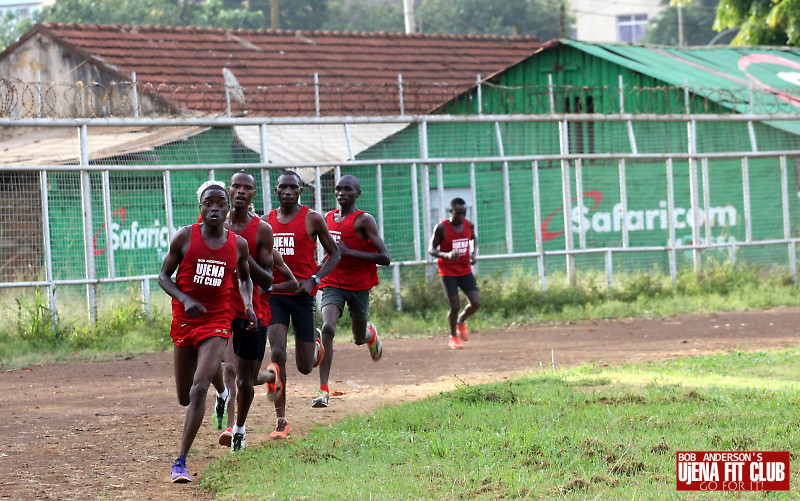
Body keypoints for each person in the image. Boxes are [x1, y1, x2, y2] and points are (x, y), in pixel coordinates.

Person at [158, 183, 257, 483]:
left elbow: (245, 279)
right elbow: (163, 276)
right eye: (208, 203)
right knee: (183, 398)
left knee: (198, 388)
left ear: (228, 210)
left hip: (217, 319)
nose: (214, 208)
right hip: (185, 321)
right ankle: (224, 392)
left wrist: (249, 305)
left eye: (220, 203)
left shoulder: (237, 244)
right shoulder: (185, 237)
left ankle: (180, 461)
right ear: (200, 208)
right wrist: (185, 299)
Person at [263, 170, 340, 439]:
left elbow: (335, 253)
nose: (287, 192)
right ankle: (281, 420)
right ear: (276, 191)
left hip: (304, 295)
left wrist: (316, 278)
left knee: (305, 367)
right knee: (278, 353)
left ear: (300, 191)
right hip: (277, 295)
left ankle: (315, 344)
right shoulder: (266, 222)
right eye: (282, 188)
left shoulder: (312, 219)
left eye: (292, 188)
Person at [214, 170, 281, 452]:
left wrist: (241, 251)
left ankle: (241, 426)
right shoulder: (212, 223)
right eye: (236, 186)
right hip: (218, 308)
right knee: (229, 368)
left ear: (253, 195)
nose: (240, 191)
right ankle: (230, 426)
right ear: (229, 191)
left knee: (245, 378)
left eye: (247, 188)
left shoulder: (262, 230)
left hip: (252, 309)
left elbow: (267, 279)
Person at [314, 174, 390, 408]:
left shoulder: (364, 220)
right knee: (327, 327)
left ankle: (369, 335)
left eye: (347, 190)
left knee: (358, 339)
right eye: (338, 189)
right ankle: (323, 390)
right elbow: (331, 252)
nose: (341, 194)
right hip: (333, 281)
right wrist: (318, 269)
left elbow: (384, 257)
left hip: (359, 286)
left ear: (358, 193)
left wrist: (350, 252)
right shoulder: (327, 218)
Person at [428, 197, 481, 349]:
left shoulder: (468, 225)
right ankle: (453, 337)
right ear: (451, 212)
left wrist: (473, 253)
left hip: (464, 270)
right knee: (455, 305)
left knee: (476, 302)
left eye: (464, 213)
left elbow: (473, 238)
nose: (462, 217)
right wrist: (447, 255)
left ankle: (461, 321)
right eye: (458, 214)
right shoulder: (441, 228)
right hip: (447, 271)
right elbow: (431, 249)